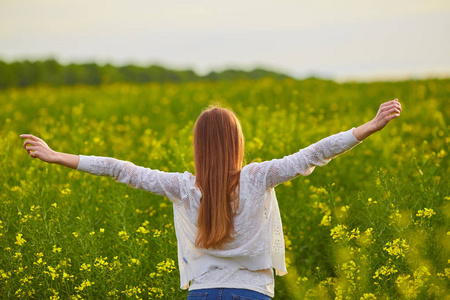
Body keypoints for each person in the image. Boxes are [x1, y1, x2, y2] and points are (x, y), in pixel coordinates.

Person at [20, 99, 402, 299]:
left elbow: (120, 169)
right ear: (238, 143)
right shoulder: (258, 177)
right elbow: (312, 154)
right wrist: (368, 127)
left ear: (198, 146)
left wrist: (58, 156)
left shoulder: (183, 187)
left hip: (202, 294)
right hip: (252, 293)